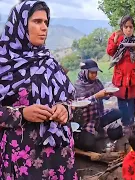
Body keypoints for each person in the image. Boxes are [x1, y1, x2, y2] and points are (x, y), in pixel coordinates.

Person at [0, 1, 77, 179]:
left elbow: (72, 101)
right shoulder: (4, 64)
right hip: (23, 158)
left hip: (59, 157)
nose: (44, 28)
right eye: (37, 21)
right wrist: (21, 114)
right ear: (20, 24)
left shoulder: (49, 63)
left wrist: (65, 109)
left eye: (46, 22)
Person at [74, 59, 122, 151]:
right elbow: (79, 104)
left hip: (98, 114)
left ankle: (99, 128)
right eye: (92, 73)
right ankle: (79, 136)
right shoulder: (78, 86)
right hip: (86, 120)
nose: (94, 75)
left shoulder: (97, 82)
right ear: (85, 72)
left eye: (96, 73)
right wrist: (96, 96)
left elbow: (103, 96)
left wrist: (108, 94)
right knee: (89, 144)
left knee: (118, 112)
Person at [106, 15, 135, 128]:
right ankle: (124, 122)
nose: (128, 29)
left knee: (132, 101)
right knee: (121, 100)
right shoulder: (115, 37)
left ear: (133, 28)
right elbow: (110, 51)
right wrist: (116, 39)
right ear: (122, 27)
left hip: (132, 75)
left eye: (130, 27)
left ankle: (131, 123)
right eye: (126, 27)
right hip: (120, 75)